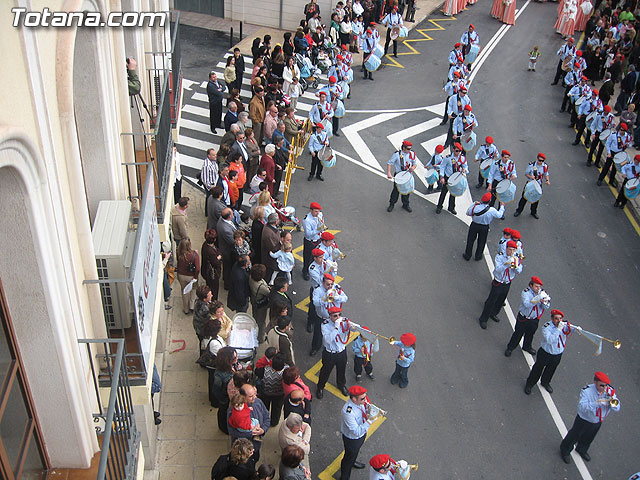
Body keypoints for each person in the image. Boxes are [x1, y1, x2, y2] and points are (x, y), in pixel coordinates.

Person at [559, 371, 620, 464]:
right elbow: (582, 407)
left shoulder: (609, 391)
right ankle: (565, 450)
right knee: (574, 435)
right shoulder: (587, 391)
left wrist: (612, 402)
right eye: (601, 385)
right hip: (584, 420)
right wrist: (597, 403)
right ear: (595, 382)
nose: (604, 388)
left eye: (605, 385)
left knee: (589, 437)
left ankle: (582, 449)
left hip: (597, 420)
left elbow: (617, 407)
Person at [477, 240, 523, 329]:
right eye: (510, 250)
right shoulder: (500, 256)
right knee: (491, 300)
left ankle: (493, 313)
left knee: (501, 300)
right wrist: (506, 264)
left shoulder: (515, 258)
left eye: (513, 250)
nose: (511, 252)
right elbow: (498, 269)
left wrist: (516, 266)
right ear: (506, 249)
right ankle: (483, 318)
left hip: (507, 282)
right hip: (498, 282)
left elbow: (519, 270)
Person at [524, 309, 572, 395]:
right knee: (537, 369)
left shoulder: (563, 325)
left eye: (560, 318)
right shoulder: (547, 327)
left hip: (557, 354)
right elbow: (550, 340)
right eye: (556, 319)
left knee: (551, 369)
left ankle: (545, 382)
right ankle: (530, 384)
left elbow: (568, 332)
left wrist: (576, 329)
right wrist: (558, 329)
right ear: (552, 319)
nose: (559, 321)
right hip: (545, 353)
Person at [505, 276, 550, 357]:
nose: (538, 288)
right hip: (524, 318)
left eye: (539, 286)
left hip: (534, 319)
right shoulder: (526, 293)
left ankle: (526, 346)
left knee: (530, 334)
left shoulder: (542, 293)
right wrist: (538, 299)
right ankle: (510, 347)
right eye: (536, 286)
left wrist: (544, 301)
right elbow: (527, 304)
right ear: (531, 285)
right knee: (518, 334)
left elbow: (546, 307)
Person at [316, 305, 355, 398]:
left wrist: (352, 326)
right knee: (325, 372)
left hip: (341, 352)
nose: (338, 318)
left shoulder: (344, 321)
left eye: (339, 315)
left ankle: (341, 385)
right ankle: (320, 387)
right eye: (335, 316)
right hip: (330, 353)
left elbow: (353, 328)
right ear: (330, 316)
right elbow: (328, 340)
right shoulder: (325, 325)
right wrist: (336, 328)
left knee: (341, 370)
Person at [340, 385, 374, 479]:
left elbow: (366, 409)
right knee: (348, 458)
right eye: (363, 398)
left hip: (361, 435)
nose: (365, 400)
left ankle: (353, 460)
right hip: (352, 439)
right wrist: (370, 421)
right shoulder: (348, 412)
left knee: (354, 454)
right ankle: (344, 477)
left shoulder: (360, 403)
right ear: (354, 399)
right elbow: (356, 431)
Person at [229, 384, 270, 461]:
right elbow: (232, 431)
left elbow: (266, 416)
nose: (255, 397)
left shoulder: (258, 402)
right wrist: (250, 433)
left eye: (255, 394)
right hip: (242, 449)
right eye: (251, 396)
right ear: (242, 396)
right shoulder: (233, 410)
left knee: (255, 459)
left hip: (256, 445)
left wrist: (263, 429)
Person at [462, 192, 505, 261]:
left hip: (474, 225)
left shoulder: (476, 207)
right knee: (481, 242)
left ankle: (467, 255)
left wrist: (474, 203)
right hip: (484, 227)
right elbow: (499, 215)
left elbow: (468, 213)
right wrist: (502, 206)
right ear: (489, 201)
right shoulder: (492, 210)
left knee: (470, 240)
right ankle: (478, 256)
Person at [514, 153, 550, 219]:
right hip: (530, 183)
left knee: (536, 198)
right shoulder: (531, 165)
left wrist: (547, 180)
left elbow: (546, 173)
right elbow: (526, 174)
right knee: (524, 197)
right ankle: (519, 210)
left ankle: (533, 212)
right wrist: (531, 177)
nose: (540, 162)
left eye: (542, 161)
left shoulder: (544, 166)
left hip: (538, 184)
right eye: (539, 160)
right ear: (537, 158)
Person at [213, 347, 241, 432]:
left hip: (233, 396)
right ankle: (224, 428)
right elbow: (216, 390)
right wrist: (224, 400)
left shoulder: (234, 365)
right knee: (224, 413)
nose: (237, 359)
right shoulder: (219, 375)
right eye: (234, 358)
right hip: (225, 399)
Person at [436, 142, 468, 214]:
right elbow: (442, 167)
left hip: (456, 178)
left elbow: (465, 166)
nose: (458, 152)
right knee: (443, 193)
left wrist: (464, 169)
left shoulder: (462, 158)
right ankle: (439, 206)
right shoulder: (448, 158)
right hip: (448, 177)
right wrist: (442, 177)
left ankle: (451, 207)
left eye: (459, 151)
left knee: (453, 194)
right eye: (457, 151)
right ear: (453, 150)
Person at [386, 140, 418, 213]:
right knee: (396, 191)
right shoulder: (397, 155)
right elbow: (389, 163)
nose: (409, 150)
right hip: (399, 175)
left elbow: (414, 163)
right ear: (403, 148)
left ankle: (405, 204)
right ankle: (392, 204)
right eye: (408, 149)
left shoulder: (412, 154)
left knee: (407, 190)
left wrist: (413, 167)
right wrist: (389, 173)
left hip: (407, 174)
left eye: (410, 149)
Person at [597, 122, 631, 187]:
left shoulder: (627, 137)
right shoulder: (613, 135)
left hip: (619, 154)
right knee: (606, 167)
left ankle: (611, 181)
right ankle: (600, 179)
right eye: (621, 130)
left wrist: (628, 145)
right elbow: (608, 144)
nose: (621, 131)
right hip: (612, 153)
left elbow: (630, 144)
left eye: (623, 130)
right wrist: (609, 152)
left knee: (614, 169)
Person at [259, 352, 289, 426]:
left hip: (266, 393)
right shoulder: (286, 371)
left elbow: (257, 372)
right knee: (277, 409)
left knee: (265, 407)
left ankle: (264, 420)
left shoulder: (265, 370)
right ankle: (274, 422)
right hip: (279, 395)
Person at [176, 237, 199, 315]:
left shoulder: (178, 252)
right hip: (191, 276)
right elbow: (198, 268)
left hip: (181, 275)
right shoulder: (194, 255)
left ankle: (186, 309)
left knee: (184, 291)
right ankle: (192, 306)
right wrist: (195, 277)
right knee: (194, 289)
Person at [302, 202, 324, 280]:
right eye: (315, 211)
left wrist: (322, 232)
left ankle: (314, 269)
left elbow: (322, 223)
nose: (317, 213)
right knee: (308, 257)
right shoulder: (307, 220)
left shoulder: (320, 215)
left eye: (318, 211)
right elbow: (308, 234)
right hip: (310, 241)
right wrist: (318, 230)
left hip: (318, 239)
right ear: (311, 210)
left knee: (316, 256)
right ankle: (305, 271)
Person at [217, 208, 237, 291]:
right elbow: (232, 242)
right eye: (232, 213)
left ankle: (226, 279)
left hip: (225, 248)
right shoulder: (226, 229)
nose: (233, 214)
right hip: (227, 251)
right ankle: (227, 284)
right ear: (229, 216)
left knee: (227, 268)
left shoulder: (222, 219)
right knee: (228, 268)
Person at [249, 264, 270, 342]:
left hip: (254, 300)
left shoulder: (251, 278)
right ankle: (260, 338)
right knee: (261, 322)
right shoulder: (261, 287)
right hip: (261, 305)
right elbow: (268, 293)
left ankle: (254, 330)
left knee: (255, 316)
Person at [261, 213, 281, 280]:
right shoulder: (269, 234)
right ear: (276, 221)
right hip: (269, 257)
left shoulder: (269, 227)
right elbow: (273, 247)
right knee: (270, 272)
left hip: (270, 255)